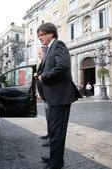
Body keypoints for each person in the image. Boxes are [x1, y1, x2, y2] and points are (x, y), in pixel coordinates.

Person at [36, 23, 82, 169]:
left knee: (58, 133)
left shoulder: (59, 45)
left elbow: (62, 66)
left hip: (60, 97)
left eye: (42, 35)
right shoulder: (50, 49)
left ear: (51, 33)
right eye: (39, 36)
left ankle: (56, 164)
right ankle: (54, 158)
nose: (40, 38)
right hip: (53, 97)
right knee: (55, 132)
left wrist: (44, 76)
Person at [36, 47, 51, 147]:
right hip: (45, 96)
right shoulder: (42, 64)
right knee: (48, 118)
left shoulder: (48, 64)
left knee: (51, 118)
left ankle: (51, 138)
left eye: (40, 53)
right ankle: (49, 134)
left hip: (49, 96)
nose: (38, 54)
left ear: (45, 54)